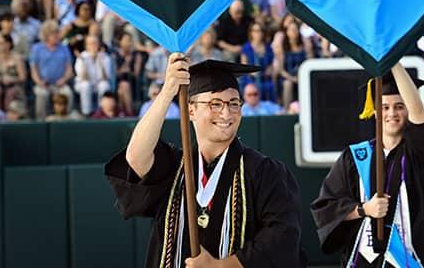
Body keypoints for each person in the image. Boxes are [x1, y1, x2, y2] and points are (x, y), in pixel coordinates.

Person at [105, 56, 306, 267]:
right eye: (215, 104)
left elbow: (282, 238)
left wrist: (221, 265)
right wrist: (167, 92)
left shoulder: (265, 172)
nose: (226, 113)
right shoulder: (174, 167)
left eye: (234, 103)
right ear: (191, 110)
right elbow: (136, 158)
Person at [311, 64, 424, 267]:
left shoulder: (420, 155)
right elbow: (326, 208)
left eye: (399, 106)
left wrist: (392, 60)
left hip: (407, 260)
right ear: (375, 112)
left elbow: (420, 115)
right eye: (384, 107)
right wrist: (364, 209)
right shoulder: (355, 157)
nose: (392, 113)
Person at [30, 20, 74, 120]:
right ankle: (41, 121)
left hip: (60, 83)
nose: (57, 36)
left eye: (57, 33)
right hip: (43, 83)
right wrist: (39, 82)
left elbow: (69, 69)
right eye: (54, 33)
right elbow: (34, 70)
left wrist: (64, 79)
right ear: (46, 35)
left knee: (68, 93)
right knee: (42, 94)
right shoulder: (36, 48)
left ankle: (67, 119)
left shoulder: (64, 48)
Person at [0, 32, 26, 112]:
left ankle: (8, 118)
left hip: (14, 85)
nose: (1, 46)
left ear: (9, 44)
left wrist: (12, 79)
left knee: (10, 93)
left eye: (3, 43)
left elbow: (23, 77)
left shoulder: (17, 58)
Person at [74, 34, 112, 115]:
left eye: (95, 43)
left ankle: (100, 112)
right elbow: (83, 78)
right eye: (90, 44)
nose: (93, 46)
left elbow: (105, 78)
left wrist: (99, 60)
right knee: (85, 85)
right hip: (82, 84)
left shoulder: (105, 57)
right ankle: (86, 113)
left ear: (98, 44)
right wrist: (84, 62)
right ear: (86, 46)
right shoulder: (82, 56)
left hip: (98, 84)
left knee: (104, 85)